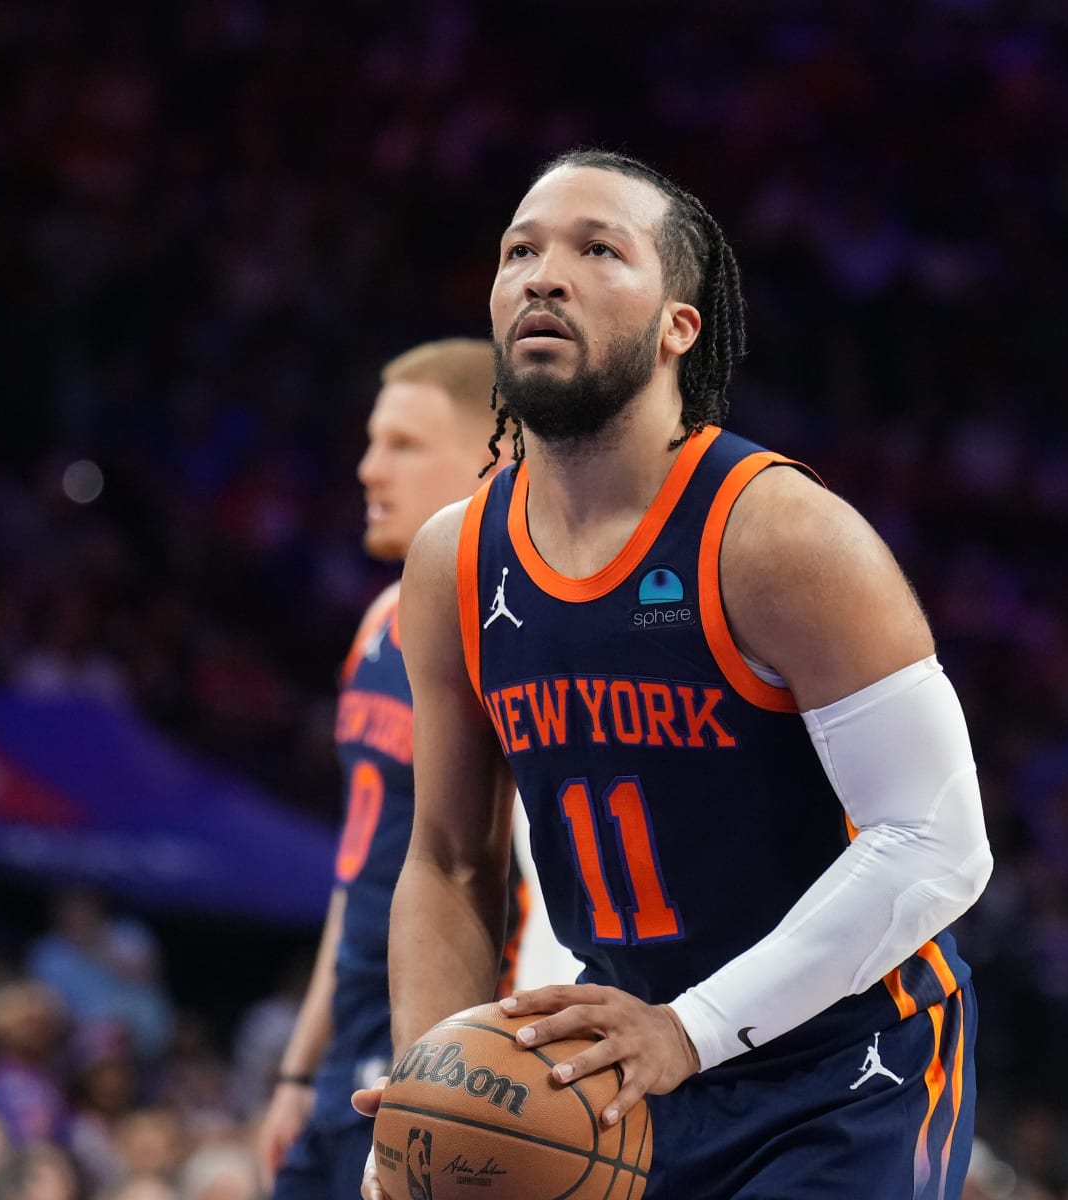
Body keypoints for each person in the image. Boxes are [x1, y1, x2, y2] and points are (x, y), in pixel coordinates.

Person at [358, 150, 994, 1199]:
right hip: (617, 1074)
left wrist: (690, 1029)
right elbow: (450, 861)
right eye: (520, 251)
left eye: (598, 250)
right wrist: (433, 1093)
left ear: (677, 327)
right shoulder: (454, 561)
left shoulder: (780, 535)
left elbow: (938, 842)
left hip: (843, 1071)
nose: (544, 276)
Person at [256, 340, 576, 1199]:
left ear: (495, 459)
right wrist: (299, 1069)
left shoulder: (521, 636)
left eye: (402, 445)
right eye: (372, 442)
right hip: (349, 1059)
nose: (369, 469)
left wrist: (509, 1081)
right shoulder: (377, 624)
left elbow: (546, 887)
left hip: (457, 1062)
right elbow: (354, 873)